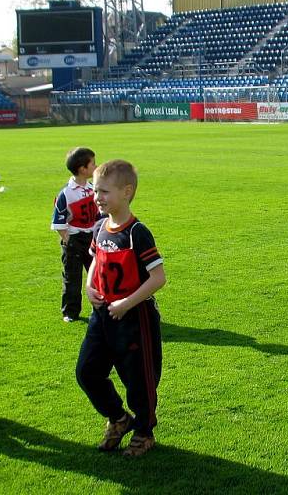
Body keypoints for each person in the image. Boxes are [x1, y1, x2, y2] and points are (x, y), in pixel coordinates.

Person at [75, 160, 166, 457]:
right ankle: (118, 418)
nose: (97, 197)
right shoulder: (100, 226)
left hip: (133, 317)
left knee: (138, 380)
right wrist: (89, 287)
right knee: (87, 372)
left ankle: (144, 431)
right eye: (95, 191)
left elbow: (158, 278)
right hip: (102, 317)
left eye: (104, 192)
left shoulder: (137, 232)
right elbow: (94, 262)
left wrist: (127, 303)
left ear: (126, 192)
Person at [51, 147, 99, 322]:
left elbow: (100, 214)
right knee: (72, 278)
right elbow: (58, 223)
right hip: (74, 240)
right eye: (92, 163)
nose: (96, 166)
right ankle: (70, 312)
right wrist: (69, 240)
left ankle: (100, 308)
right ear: (82, 169)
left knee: (97, 276)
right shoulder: (66, 193)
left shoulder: (93, 188)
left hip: (92, 239)